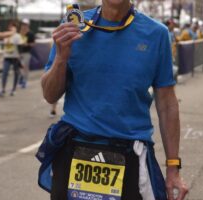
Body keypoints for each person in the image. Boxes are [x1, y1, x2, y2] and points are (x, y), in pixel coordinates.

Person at [37, 1, 188, 200]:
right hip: (75, 147)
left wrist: (173, 167)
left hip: (128, 151)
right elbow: (49, 95)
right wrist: (61, 58)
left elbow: (167, 104)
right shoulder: (74, 25)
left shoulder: (156, 34)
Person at [0, 21, 22, 97]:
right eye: (10, 26)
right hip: (7, 57)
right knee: (5, 73)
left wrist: (20, 56)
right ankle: (3, 89)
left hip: (15, 57)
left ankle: (14, 89)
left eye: (12, 26)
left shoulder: (17, 36)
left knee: (16, 73)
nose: (11, 28)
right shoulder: (6, 35)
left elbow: (20, 46)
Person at [18, 18, 35, 89]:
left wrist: (27, 44)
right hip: (18, 53)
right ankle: (21, 78)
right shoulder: (18, 33)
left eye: (25, 24)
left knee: (25, 67)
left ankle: (24, 80)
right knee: (19, 67)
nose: (24, 26)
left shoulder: (30, 33)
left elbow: (33, 44)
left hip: (26, 52)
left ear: (28, 25)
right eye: (23, 24)